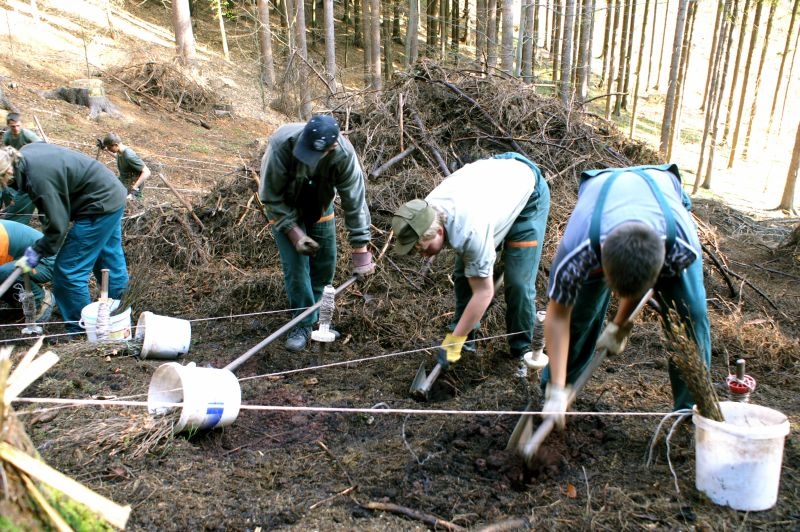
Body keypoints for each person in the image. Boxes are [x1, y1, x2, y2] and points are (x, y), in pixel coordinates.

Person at [540, 164, 711, 428]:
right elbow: (558, 317)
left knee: (691, 317)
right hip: (600, 194)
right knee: (579, 317)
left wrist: (619, 325)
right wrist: (557, 389)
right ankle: (556, 393)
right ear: (600, 265)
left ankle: (692, 414)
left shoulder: (681, 247)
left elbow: (645, 286)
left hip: (662, 194)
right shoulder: (577, 252)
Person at [391, 152, 551, 367]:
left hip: (527, 194)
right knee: (465, 276)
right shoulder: (424, 212)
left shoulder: (469, 232)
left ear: (439, 231)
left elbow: (484, 292)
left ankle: (522, 350)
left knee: (517, 283)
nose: (422, 254)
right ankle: (466, 342)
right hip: (494, 188)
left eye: (423, 248)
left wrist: (453, 341)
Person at [259, 114, 375, 352]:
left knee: (325, 265)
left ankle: (320, 323)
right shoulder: (282, 145)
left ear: (332, 147)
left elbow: (355, 201)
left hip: (320, 205)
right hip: (284, 208)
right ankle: (301, 324)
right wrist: (294, 233)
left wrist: (360, 249)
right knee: (297, 268)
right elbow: (270, 195)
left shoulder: (343, 155)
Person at [0, 143, 129, 336]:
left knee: (68, 272)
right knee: (108, 261)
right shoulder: (25, 154)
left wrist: (36, 252)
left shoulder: (37, 179)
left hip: (97, 204)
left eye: (2, 182)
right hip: (111, 192)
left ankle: (81, 334)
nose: (5, 186)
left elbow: (57, 228)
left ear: (8, 171)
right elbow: (51, 206)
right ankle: (122, 311)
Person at [0, 219, 55, 322]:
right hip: (24, 258)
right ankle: (20, 304)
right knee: (4, 274)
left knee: (4, 273)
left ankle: (40, 301)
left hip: (45, 260)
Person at [1, 112, 42, 224]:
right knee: (7, 188)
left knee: (27, 189)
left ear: (21, 124)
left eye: (18, 126)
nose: (16, 129)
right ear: (8, 125)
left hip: (30, 164)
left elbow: (41, 146)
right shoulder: (7, 136)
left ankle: (23, 212)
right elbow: (6, 152)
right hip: (15, 164)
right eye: (13, 126)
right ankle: (12, 209)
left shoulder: (27, 135)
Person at [100, 132, 151, 199]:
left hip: (131, 186)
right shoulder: (120, 151)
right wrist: (106, 149)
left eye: (109, 147)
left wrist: (134, 189)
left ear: (115, 145)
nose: (109, 149)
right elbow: (118, 157)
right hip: (124, 181)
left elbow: (147, 172)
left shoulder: (129, 155)